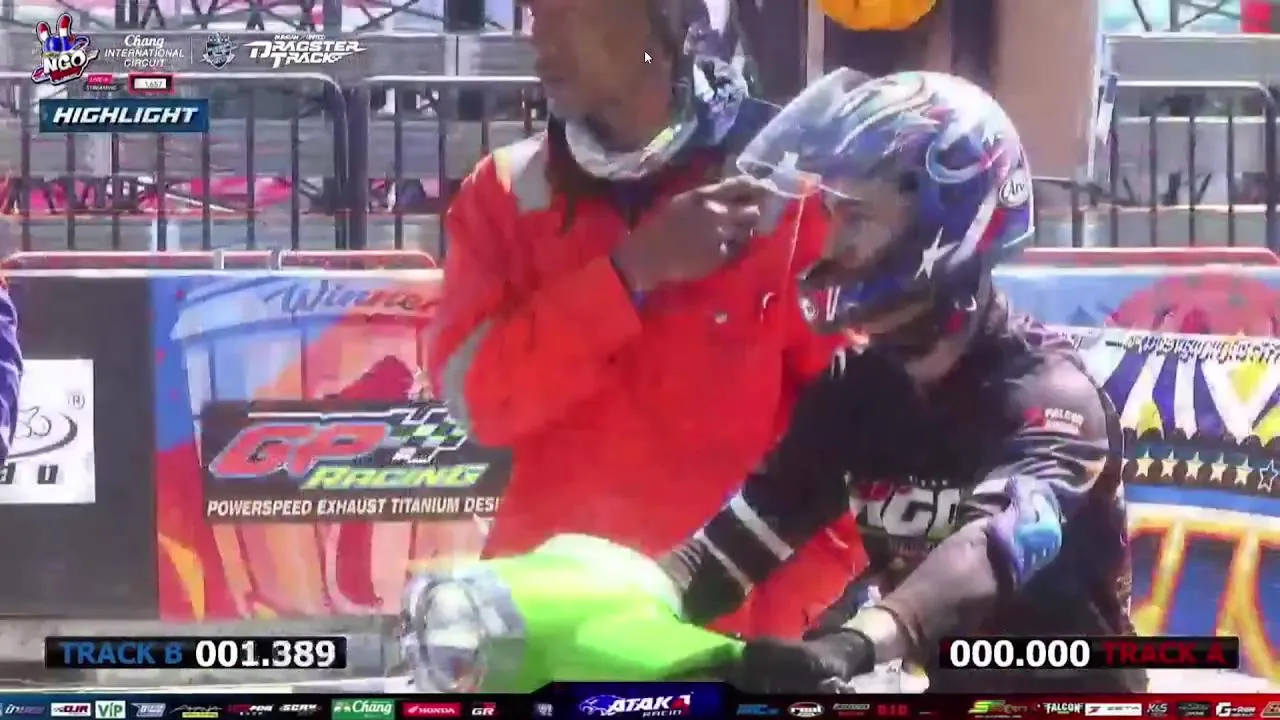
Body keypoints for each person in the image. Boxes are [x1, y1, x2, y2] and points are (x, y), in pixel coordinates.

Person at [657, 69, 1144, 693]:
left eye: (857, 217)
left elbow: (1000, 544)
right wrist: (624, 601)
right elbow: (735, 546)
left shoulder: (1049, 395)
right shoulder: (855, 391)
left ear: (944, 220)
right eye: (831, 215)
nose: (832, 243)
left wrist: (856, 643)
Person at [428, 0, 859, 639]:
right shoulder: (504, 193)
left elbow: (852, 438)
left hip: (721, 632)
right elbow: (479, 403)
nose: (538, 39)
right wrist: (630, 271)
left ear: (663, 24)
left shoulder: (790, 194)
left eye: (566, 11)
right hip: (547, 622)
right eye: (533, 12)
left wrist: (773, 629)